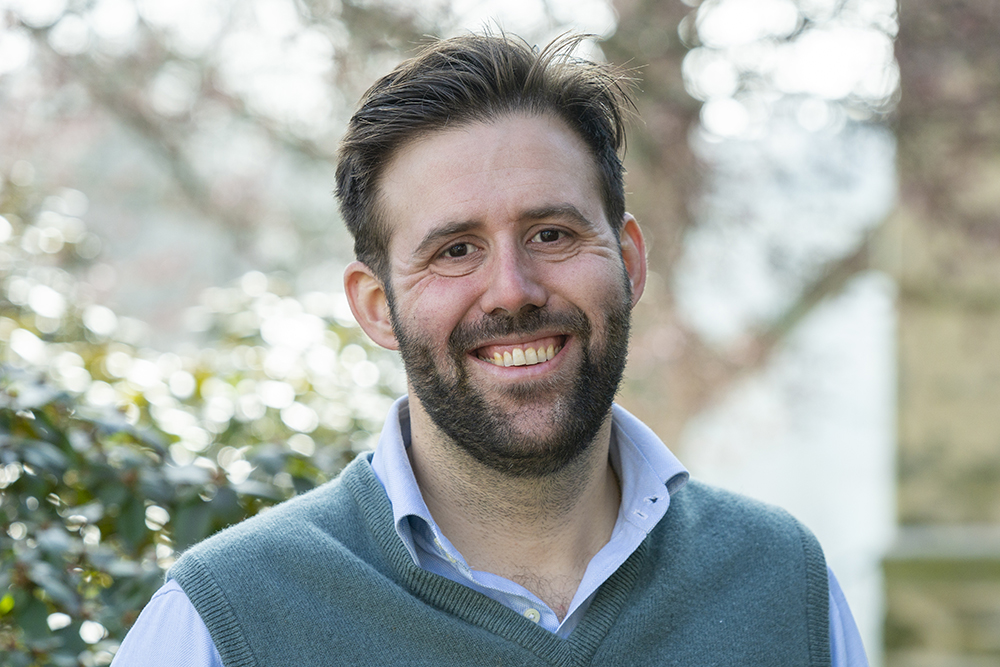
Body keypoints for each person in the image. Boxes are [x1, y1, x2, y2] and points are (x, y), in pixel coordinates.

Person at [112, 32, 868, 666]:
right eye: (454, 250)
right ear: (378, 308)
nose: (512, 290)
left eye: (552, 234)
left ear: (630, 261)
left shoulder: (784, 586)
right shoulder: (226, 622)